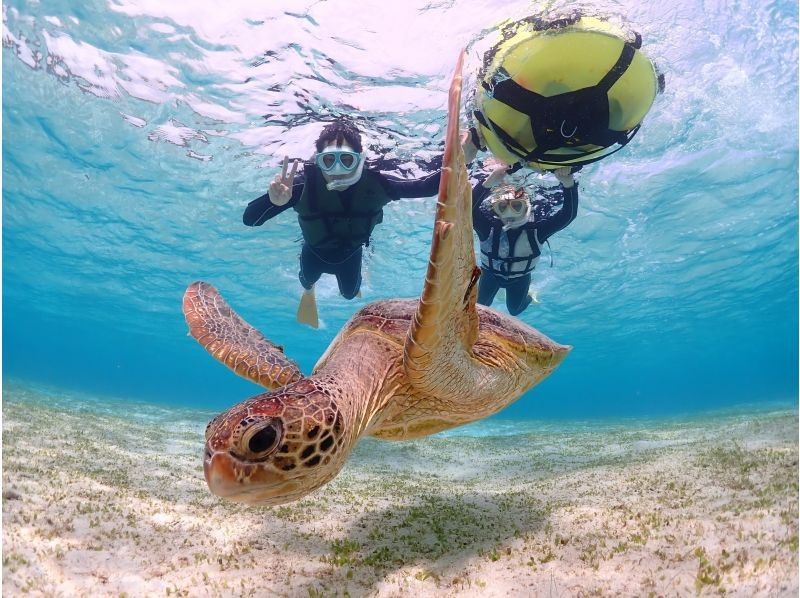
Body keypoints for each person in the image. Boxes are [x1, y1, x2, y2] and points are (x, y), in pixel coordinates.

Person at [243, 120, 441, 328]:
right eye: (329, 160)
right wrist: (273, 202)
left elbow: (426, 187)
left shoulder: (378, 184)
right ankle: (309, 291)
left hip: (351, 254)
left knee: (349, 294)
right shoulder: (300, 186)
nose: (337, 170)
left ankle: (357, 272)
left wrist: (460, 155)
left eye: (346, 160)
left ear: (359, 160)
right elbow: (250, 219)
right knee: (307, 281)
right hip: (313, 251)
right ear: (318, 161)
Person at [471, 166, 578, 315]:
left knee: (515, 310)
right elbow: (467, 209)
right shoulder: (487, 228)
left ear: (527, 207)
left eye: (517, 206)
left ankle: (530, 294)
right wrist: (487, 183)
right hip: (490, 275)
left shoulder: (537, 230)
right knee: (479, 307)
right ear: (495, 209)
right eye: (502, 207)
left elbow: (567, 216)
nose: (510, 213)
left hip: (520, 279)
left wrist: (568, 184)